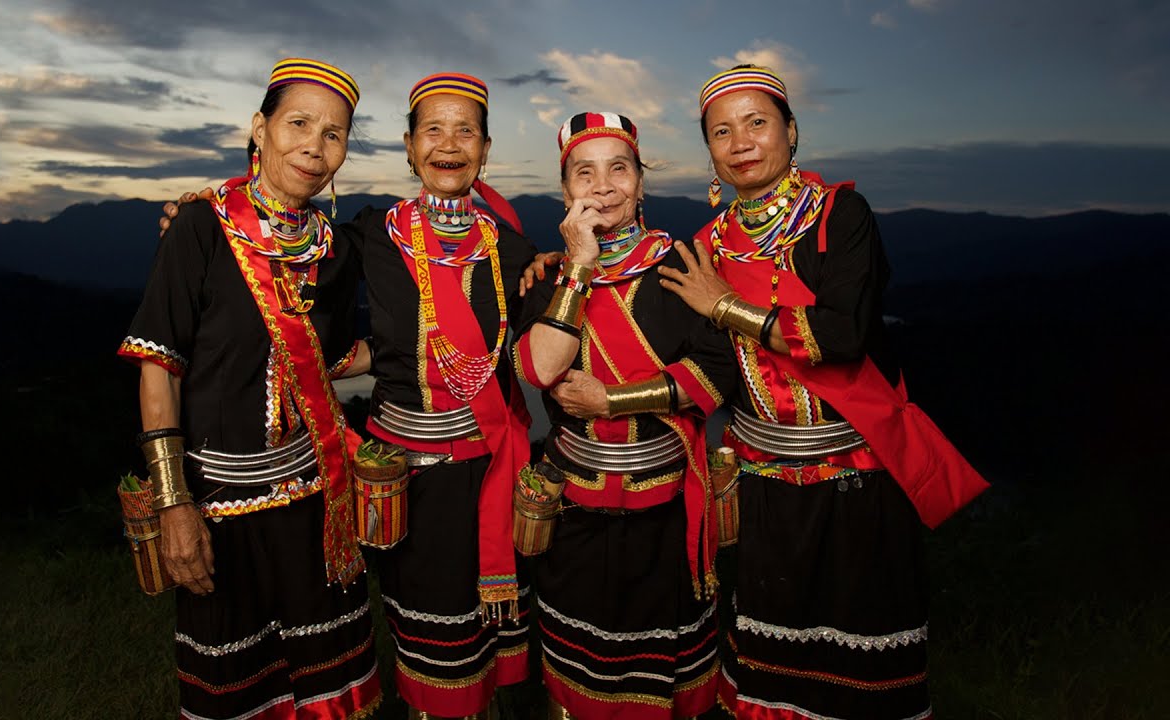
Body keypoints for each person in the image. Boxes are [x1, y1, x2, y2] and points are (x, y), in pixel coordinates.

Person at [656, 64, 989, 720]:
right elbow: (711, 365)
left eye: (757, 123)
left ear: (792, 131)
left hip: (856, 481)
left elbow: (843, 335)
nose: (740, 142)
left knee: (863, 659)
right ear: (710, 152)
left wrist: (725, 305)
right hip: (763, 485)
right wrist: (564, 270)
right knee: (773, 660)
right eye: (721, 132)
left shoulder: (841, 214)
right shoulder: (707, 246)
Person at [117, 58, 380, 720]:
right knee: (238, 688)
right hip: (218, 506)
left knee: (328, 681)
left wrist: (423, 356)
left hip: (314, 503)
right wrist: (174, 504)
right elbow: (158, 366)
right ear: (259, 129)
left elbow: (330, 359)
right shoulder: (201, 228)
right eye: (298, 124)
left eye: (333, 134)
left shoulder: (335, 251)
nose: (314, 147)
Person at [513, 112, 737, 720]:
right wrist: (580, 265)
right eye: (584, 173)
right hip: (574, 510)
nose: (603, 186)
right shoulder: (550, 278)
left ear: (641, 181)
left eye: (619, 169)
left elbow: (716, 374)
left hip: (665, 509)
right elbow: (538, 370)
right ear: (565, 190)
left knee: (661, 673)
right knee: (576, 676)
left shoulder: (681, 268)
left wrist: (611, 401)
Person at [342, 73, 537, 720]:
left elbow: (544, 353)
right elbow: (291, 265)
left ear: (485, 149)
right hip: (402, 476)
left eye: (465, 131)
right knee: (424, 636)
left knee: (483, 638)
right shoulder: (373, 234)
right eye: (432, 129)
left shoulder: (512, 250)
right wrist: (211, 219)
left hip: (486, 470)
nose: (448, 144)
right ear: (408, 146)